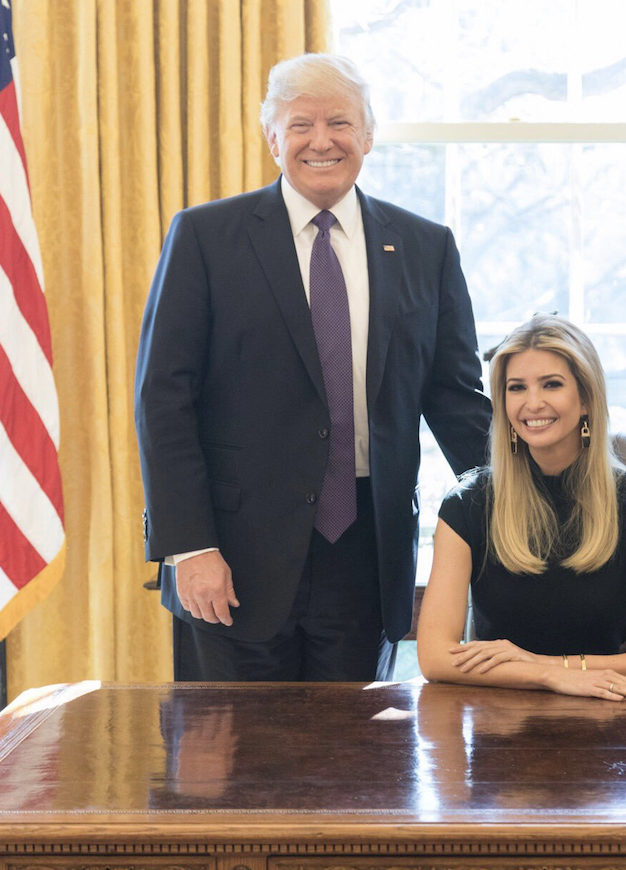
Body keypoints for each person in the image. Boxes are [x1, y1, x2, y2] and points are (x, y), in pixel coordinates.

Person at [135, 53, 491, 682]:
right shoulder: (204, 237)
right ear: (272, 137)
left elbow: (455, 399)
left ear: (369, 134)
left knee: (357, 767)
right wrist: (190, 546)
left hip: (367, 550)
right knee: (228, 771)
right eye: (300, 125)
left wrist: (532, 501)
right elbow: (163, 400)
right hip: (230, 556)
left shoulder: (424, 247)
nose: (321, 141)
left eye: (340, 123)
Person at [417, 315, 626, 699]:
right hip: (497, 724)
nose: (533, 403)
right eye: (516, 388)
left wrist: (550, 665)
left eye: (551, 384)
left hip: (607, 720)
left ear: (585, 398)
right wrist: (545, 677)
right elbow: (434, 658)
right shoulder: (467, 504)